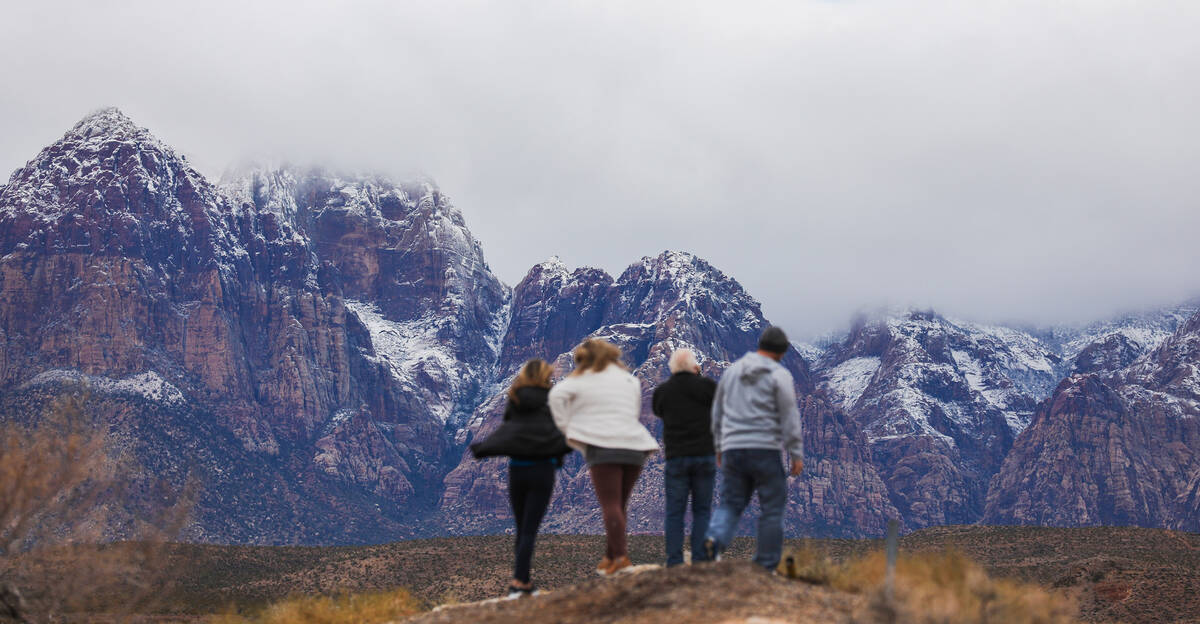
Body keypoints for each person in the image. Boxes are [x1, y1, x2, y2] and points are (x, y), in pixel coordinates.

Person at [548, 338, 659, 576]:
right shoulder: (629, 380)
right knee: (619, 505)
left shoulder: (583, 379)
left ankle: (620, 558)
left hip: (604, 445)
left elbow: (556, 396)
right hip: (635, 445)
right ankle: (611, 557)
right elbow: (633, 410)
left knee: (610, 504)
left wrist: (568, 428)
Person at [703, 326, 804, 571]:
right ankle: (765, 565)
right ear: (781, 352)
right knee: (771, 508)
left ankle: (714, 540)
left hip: (733, 449)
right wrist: (795, 453)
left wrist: (718, 447)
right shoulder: (780, 375)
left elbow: (717, 411)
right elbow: (789, 416)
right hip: (765, 449)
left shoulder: (733, 371)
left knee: (730, 503)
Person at [470, 359, 571, 598]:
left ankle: (522, 582)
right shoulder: (553, 399)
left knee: (520, 528)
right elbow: (558, 433)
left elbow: (509, 430)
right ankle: (519, 582)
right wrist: (558, 457)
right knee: (529, 530)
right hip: (542, 471)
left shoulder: (514, 398)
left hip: (517, 470)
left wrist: (486, 447)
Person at [652, 348, 718, 567]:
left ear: (672, 369)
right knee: (702, 510)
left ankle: (674, 561)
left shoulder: (663, 392)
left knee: (674, 512)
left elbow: (658, 411)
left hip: (676, 459)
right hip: (704, 457)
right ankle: (699, 559)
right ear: (694, 367)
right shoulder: (708, 388)